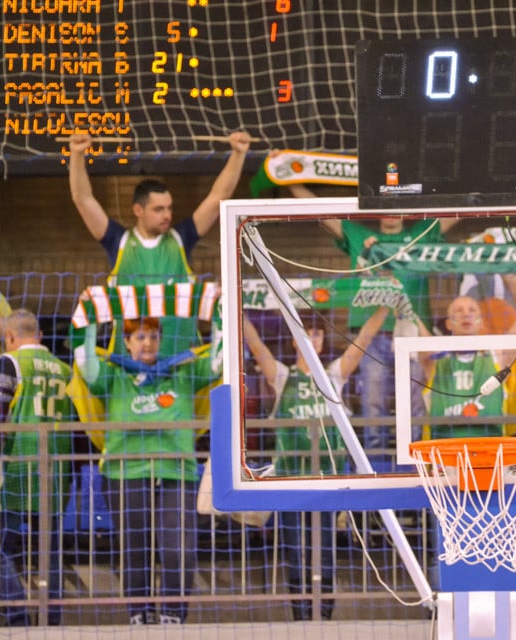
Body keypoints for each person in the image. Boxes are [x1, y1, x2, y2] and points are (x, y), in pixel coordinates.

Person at [242, 302, 393, 621]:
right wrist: (234, 308)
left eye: (317, 333)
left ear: (323, 340)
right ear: (295, 340)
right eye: (305, 334)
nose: (312, 339)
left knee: (324, 555)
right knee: (296, 554)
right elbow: (255, 345)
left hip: (328, 484)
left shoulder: (333, 377)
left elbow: (363, 341)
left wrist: (384, 306)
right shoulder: (284, 377)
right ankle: (300, 616)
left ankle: (323, 615)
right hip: (292, 484)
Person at [75, 315, 222, 624]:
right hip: (124, 474)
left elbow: (220, 362)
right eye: (140, 337)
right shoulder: (114, 375)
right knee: (134, 550)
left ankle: (172, 615)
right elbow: (85, 364)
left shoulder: (183, 371)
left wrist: (222, 314)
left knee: (178, 550)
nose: (148, 343)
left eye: (153, 337)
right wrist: (89, 322)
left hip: (176, 472)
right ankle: (139, 615)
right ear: (126, 342)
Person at [68, 131, 252, 356]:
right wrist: (77, 155)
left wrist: (238, 154)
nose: (167, 215)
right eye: (159, 209)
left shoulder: (181, 238)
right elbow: (82, 199)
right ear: (138, 211)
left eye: (169, 208)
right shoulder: (119, 241)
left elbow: (217, 198)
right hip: (129, 364)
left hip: (181, 363)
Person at [316, 203, 459, 471]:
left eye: (397, 206)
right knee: (373, 399)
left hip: (413, 331)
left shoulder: (420, 234)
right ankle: (375, 467)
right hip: (372, 335)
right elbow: (319, 213)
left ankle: (418, 462)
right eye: (385, 205)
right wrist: (285, 172)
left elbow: (462, 211)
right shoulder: (360, 236)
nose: (392, 211)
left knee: (416, 398)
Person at [0, 309, 73, 626]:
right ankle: (52, 619)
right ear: (41, 336)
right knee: (50, 551)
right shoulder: (64, 369)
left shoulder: (9, 362)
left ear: (8, 337)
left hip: (16, 470)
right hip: (56, 472)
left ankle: (19, 616)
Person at [418, 270, 516, 439]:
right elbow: (410, 318)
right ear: (448, 323)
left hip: (491, 453)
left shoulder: (497, 356)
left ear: (481, 322)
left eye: (472, 309)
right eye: (459, 310)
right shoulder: (434, 360)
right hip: (445, 456)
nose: (466, 313)